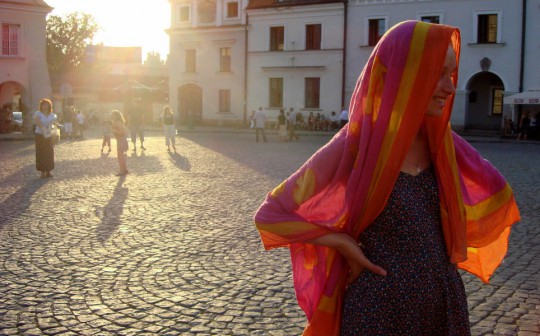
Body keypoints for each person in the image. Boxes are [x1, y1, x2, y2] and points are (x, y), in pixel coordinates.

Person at [253, 21, 520, 336]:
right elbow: (271, 215)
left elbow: (498, 195)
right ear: (404, 74)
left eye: (451, 73)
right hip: (376, 312)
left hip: (441, 309)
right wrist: (340, 241)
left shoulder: (444, 144)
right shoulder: (357, 145)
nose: (450, 88)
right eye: (439, 73)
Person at [34, 99, 57, 178]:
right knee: (41, 153)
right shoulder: (38, 113)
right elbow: (37, 121)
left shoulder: (52, 115)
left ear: (49, 106)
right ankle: (42, 172)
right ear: (41, 106)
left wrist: (54, 133)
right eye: (43, 105)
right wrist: (43, 129)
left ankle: (48, 171)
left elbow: (54, 124)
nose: (45, 106)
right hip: (40, 135)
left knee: (49, 153)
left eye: (46, 105)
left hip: (49, 136)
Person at [110, 110, 129, 176]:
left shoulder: (118, 122)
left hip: (121, 140)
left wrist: (114, 130)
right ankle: (125, 169)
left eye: (112, 115)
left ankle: (122, 171)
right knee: (121, 156)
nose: (111, 116)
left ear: (115, 116)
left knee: (120, 156)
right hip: (120, 140)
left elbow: (123, 132)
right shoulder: (116, 122)